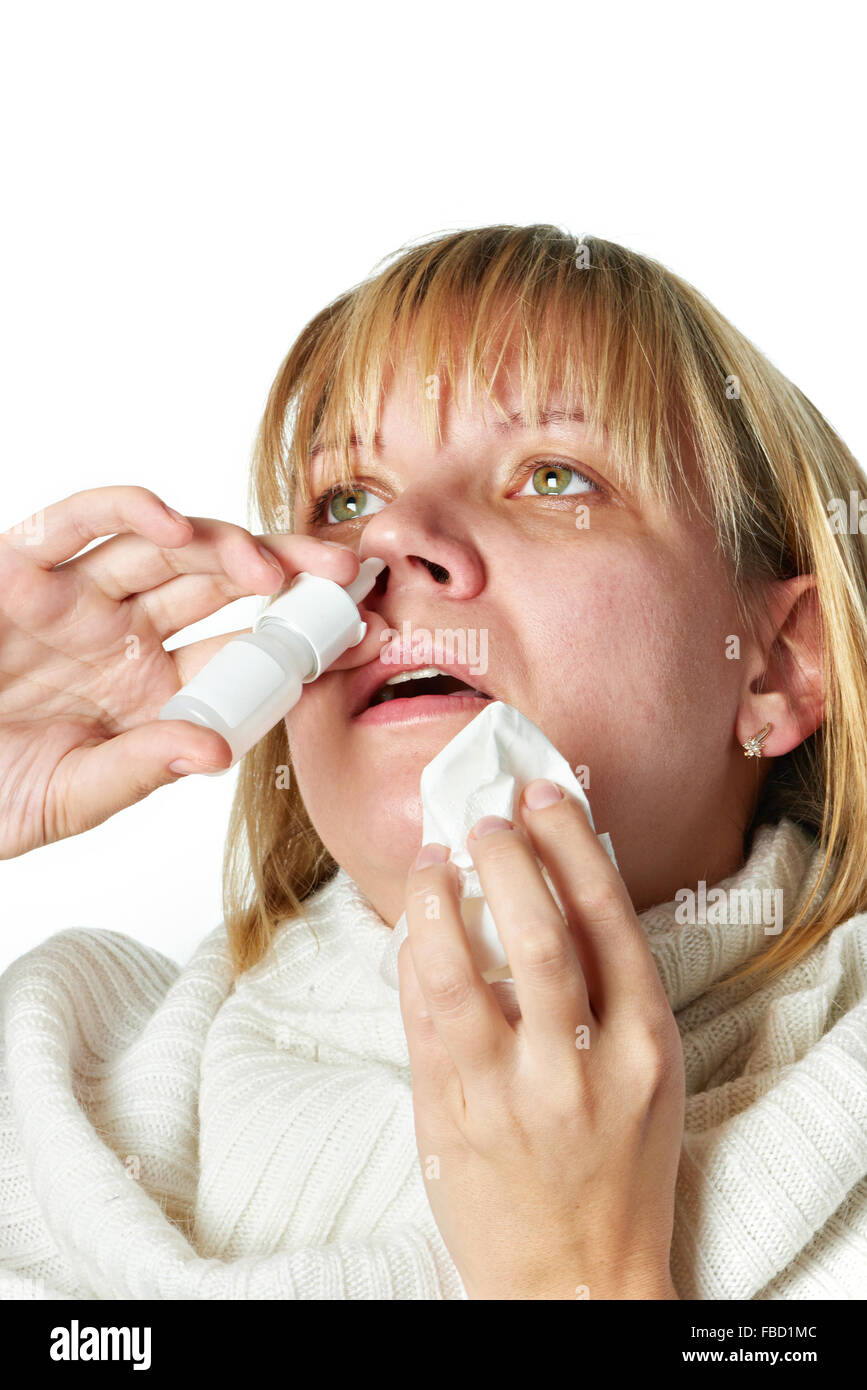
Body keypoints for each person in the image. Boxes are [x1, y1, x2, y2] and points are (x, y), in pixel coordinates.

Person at [1, 226, 865, 1300]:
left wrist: (580, 1275)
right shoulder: (51, 1071)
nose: (394, 539)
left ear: (775, 665)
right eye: (347, 499)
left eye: (552, 474)